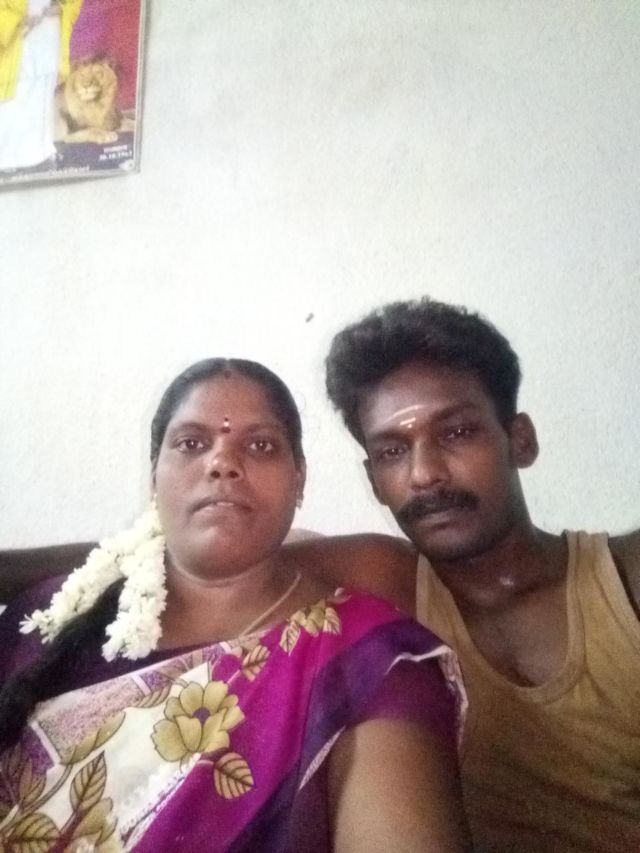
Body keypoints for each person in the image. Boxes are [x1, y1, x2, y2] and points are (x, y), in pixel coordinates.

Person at [0, 357, 469, 852]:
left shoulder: (369, 663)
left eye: (260, 445)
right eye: (191, 443)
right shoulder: (45, 617)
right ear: (154, 474)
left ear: (299, 479)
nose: (222, 463)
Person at [322, 298, 640, 853]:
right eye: (393, 450)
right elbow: (236, 560)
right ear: (373, 481)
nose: (425, 474)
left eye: (457, 432)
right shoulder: (390, 581)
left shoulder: (624, 577)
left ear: (520, 440)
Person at [0, 0, 83, 171]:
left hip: (50, 34)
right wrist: (17, 21)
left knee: (43, 94)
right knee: (15, 97)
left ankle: (41, 150)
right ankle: (8, 158)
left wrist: (61, 9)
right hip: (18, 40)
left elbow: (73, 4)